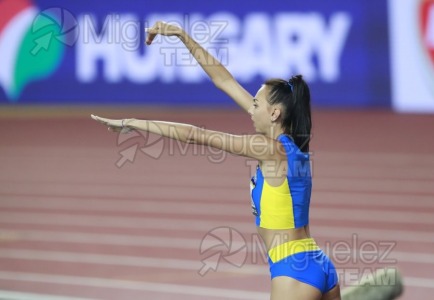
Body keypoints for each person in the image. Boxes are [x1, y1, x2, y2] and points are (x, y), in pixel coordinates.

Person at [91, 21, 341, 300]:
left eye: (256, 104)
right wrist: (182, 36)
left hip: (293, 272)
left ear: (274, 115)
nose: (250, 109)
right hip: (318, 263)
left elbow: (197, 135)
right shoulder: (292, 146)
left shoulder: (269, 149)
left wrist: (133, 122)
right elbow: (224, 81)